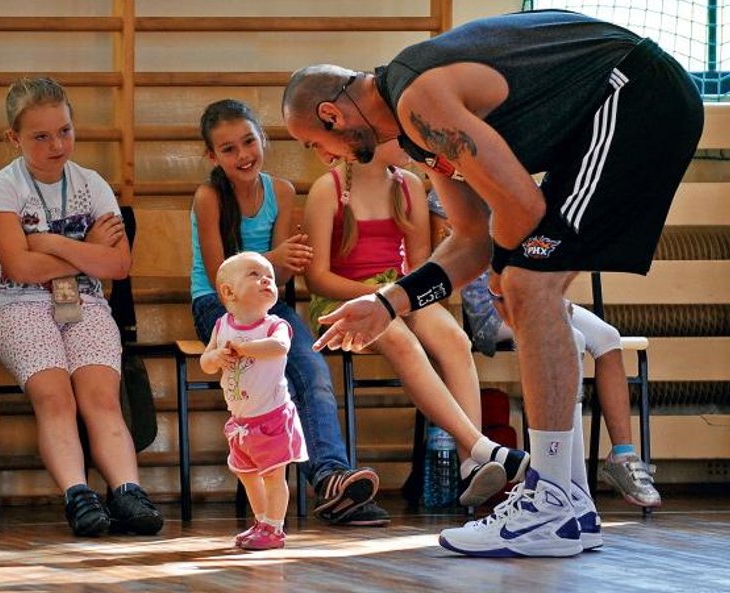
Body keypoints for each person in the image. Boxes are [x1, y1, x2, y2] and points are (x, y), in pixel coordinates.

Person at [282, 9, 702, 557]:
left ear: (332, 115)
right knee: (530, 284)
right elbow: (472, 239)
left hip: (635, 92)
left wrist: (507, 276)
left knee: (530, 284)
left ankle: (552, 499)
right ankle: (568, 500)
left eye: (314, 143)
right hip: (619, 102)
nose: (321, 156)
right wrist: (387, 304)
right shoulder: (417, 135)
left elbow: (520, 206)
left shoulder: (418, 102)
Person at [0, 77, 163, 537]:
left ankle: (127, 491)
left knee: (101, 397)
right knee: (56, 397)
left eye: (64, 131)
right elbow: (18, 267)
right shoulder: (1, 188)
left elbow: (118, 264)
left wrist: (52, 242)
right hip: (15, 307)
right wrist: (85, 249)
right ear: (14, 138)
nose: (56, 144)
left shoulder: (92, 184)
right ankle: (79, 495)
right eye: (40, 136)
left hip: (84, 302)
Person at [192, 98, 389, 526]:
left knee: (312, 369)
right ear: (213, 156)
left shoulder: (280, 191)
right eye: (229, 149)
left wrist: (278, 261)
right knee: (272, 375)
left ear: (262, 139)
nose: (243, 154)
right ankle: (279, 484)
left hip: (268, 302)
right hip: (217, 304)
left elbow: (279, 276)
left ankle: (332, 477)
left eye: (249, 141)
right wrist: (274, 257)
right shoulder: (208, 197)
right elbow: (218, 275)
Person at [302, 146, 528, 506]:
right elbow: (317, 279)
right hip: (343, 302)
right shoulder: (326, 189)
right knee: (401, 340)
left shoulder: (408, 185)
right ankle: (481, 444)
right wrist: (381, 297)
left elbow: (420, 267)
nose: (409, 142)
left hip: (397, 292)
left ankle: (471, 463)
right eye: (398, 136)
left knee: (455, 338)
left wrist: (395, 297)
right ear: (373, 141)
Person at [432, 190, 661, 508]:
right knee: (571, 340)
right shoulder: (445, 196)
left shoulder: (514, 185)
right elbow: (451, 260)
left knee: (608, 337)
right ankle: (565, 480)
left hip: (533, 295)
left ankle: (622, 455)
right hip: (492, 307)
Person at [199, 252, 308, 550]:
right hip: (241, 422)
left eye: (270, 277)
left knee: (273, 475)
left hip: (272, 417)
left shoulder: (275, 325)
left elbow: (279, 348)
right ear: (228, 292)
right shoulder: (222, 325)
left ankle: (274, 528)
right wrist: (215, 357)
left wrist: (244, 348)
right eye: (254, 274)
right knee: (247, 475)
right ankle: (261, 521)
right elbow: (205, 361)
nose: (266, 280)